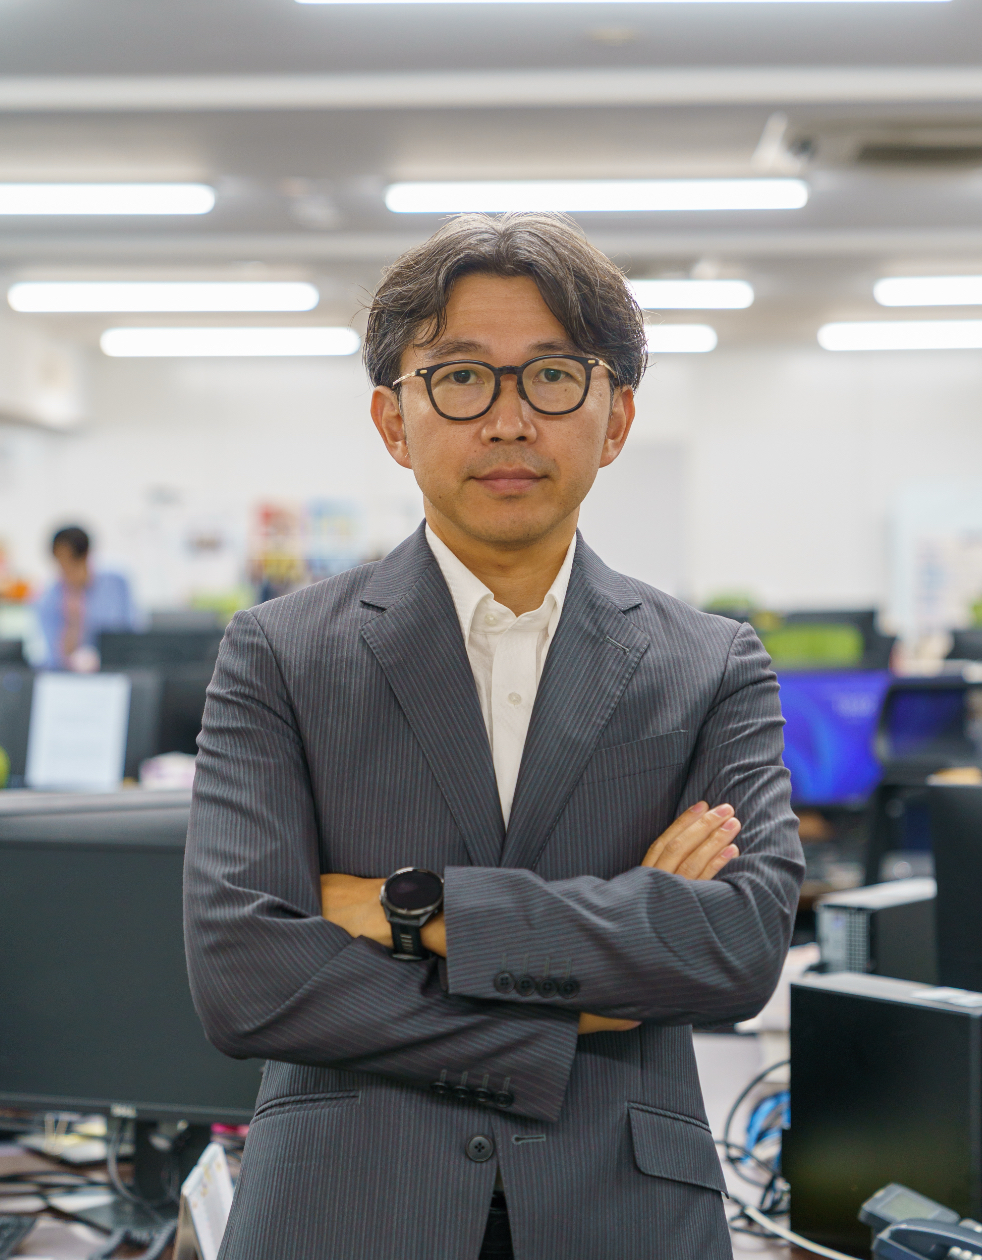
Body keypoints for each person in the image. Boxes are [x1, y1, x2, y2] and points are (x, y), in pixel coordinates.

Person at [183, 213, 804, 1260]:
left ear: (616, 418)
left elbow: (736, 947)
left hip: (626, 1214)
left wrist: (413, 910)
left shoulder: (710, 663)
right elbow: (246, 975)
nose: (510, 421)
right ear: (394, 420)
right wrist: (579, 1007)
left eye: (553, 377)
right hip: (342, 1209)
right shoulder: (280, 652)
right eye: (462, 378)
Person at [35, 526, 138, 670]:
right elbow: (53, 659)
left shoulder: (117, 584)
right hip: (69, 677)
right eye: (61, 563)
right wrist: (73, 623)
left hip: (118, 669)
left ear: (87, 556)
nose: (67, 570)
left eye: (72, 562)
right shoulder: (49, 600)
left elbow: (133, 634)